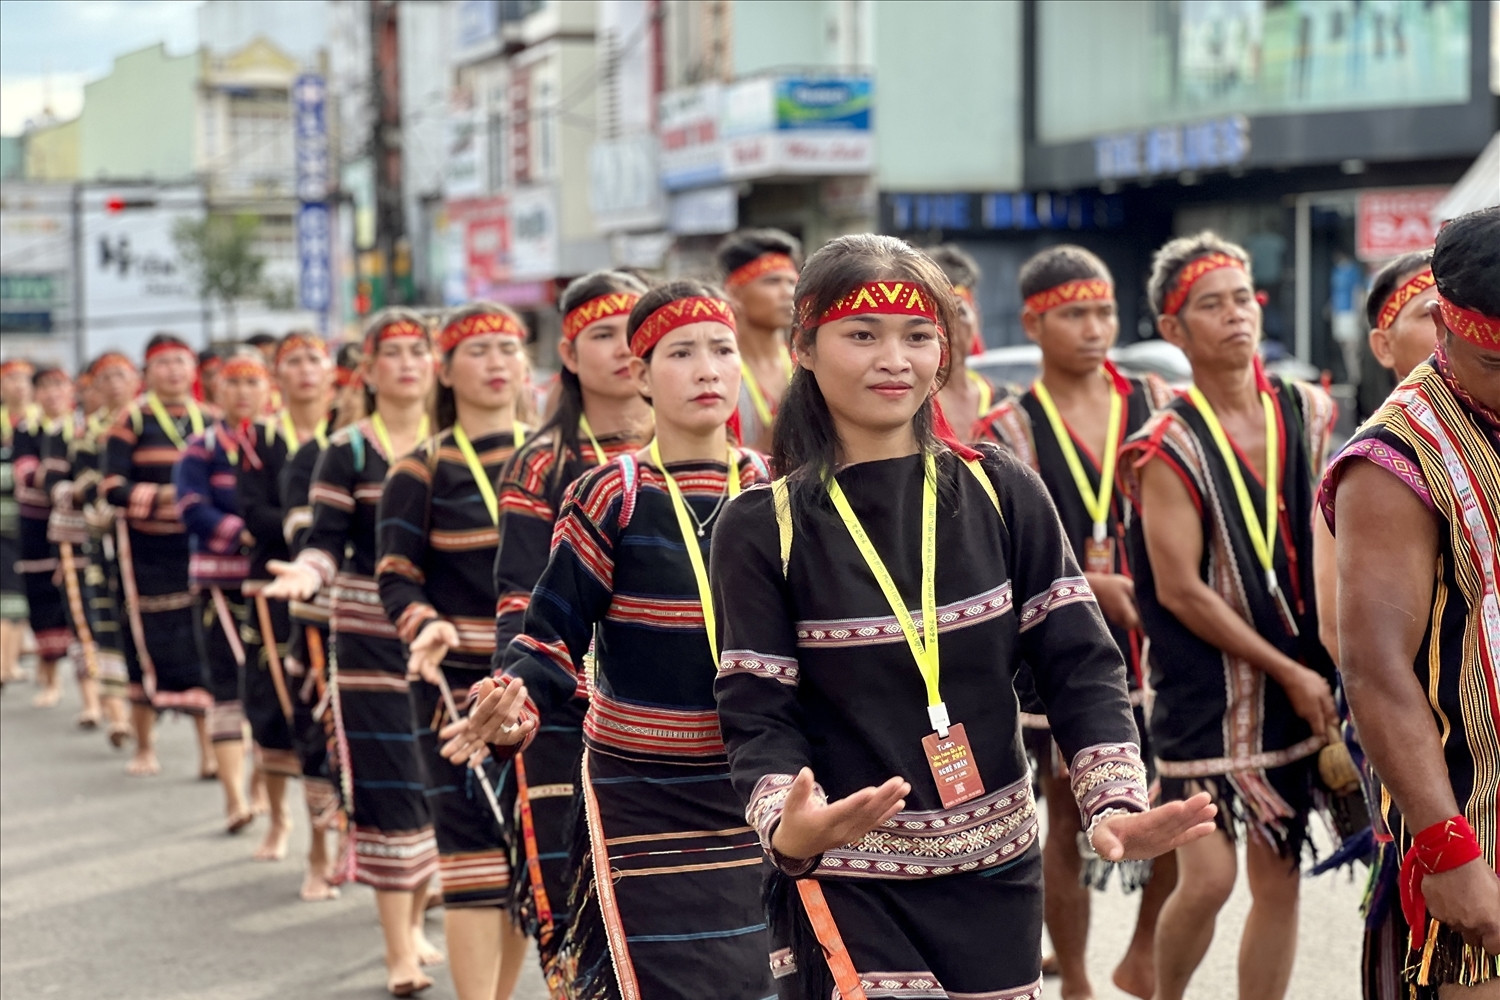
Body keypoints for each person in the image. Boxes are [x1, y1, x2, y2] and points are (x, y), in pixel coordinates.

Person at [694, 233, 1211, 999]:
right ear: (805, 346)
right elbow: (757, 708)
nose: (894, 359)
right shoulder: (758, 525)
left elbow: (1079, 664)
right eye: (862, 335)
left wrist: (1114, 802)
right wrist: (789, 824)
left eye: (918, 335)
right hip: (848, 872)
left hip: (999, 869)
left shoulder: (1000, 489)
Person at [454, 280, 777, 1000]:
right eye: (682, 352)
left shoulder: (774, 488)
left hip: (759, 781)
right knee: (665, 982)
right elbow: (549, 633)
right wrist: (514, 700)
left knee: (760, 980)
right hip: (643, 787)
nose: (708, 369)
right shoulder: (612, 493)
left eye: (723, 350)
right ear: (641, 374)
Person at [1118, 233, 1340, 1000]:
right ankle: (1161, 992)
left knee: (1280, 880)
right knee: (1208, 877)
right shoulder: (1164, 442)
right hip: (1207, 689)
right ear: (1174, 331)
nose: (1235, 316)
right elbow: (1180, 590)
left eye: (1243, 298)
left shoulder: (1307, 407)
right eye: (1210, 305)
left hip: (1300, 675)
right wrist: (1288, 669)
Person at [972, 244, 1179, 1000]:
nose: (1094, 329)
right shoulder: (1006, 427)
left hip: (1160, 639)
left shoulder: (1158, 400)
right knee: (1065, 814)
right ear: (1034, 323)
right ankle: (1079, 980)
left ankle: (1145, 949)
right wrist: (1085, 579)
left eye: (1104, 312)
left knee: (1180, 809)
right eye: (1073, 314)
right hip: (1056, 644)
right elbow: (989, 551)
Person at [1321, 206, 1500, 1000]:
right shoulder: (1394, 460)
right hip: (1478, 815)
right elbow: (1375, 670)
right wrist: (1448, 849)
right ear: (1444, 324)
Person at [262, 309, 442, 997]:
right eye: (390, 353)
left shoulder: (455, 445)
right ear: (365, 370)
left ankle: (420, 918)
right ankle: (397, 948)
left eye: (416, 350)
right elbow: (324, 538)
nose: (406, 363)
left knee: (438, 782)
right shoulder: (348, 448)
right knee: (388, 783)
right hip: (368, 631)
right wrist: (309, 572)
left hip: (447, 636)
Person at [484, 270, 652, 979]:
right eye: (600, 335)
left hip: (686, 718)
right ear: (569, 356)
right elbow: (519, 600)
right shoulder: (544, 462)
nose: (619, 349)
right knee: (582, 921)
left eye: (631, 333)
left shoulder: (717, 450)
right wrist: (516, 699)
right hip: (569, 719)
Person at [376, 302, 533, 1000]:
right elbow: (395, 573)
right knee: (472, 855)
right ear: (446, 369)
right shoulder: (421, 466)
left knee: (526, 853)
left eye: (509, 347)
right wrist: (423, 623)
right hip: (454, 684)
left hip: (539, 684)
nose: (497, 362)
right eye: (479, 351)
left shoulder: (554, 458)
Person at [177, 351, 302, 859]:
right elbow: (191, 506)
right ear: (217, 391)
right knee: (228, 686)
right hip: (221, 582)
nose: (244, 392)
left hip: (278, 581)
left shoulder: (278, 441)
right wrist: (245, 534)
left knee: (272, 691)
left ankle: (265, 789)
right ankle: (236, 798)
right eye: (234, 383)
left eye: (254, 382)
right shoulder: (201, 446)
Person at [238, 331, 341, 901]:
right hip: (278, 590)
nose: (305, 370)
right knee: (285, 711)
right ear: (277, 376)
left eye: (314, 360)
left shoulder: (351, 434)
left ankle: (349, 838)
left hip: (345, 593)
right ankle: (299, 834)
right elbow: (254, 513)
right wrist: (316, 524)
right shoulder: (261, 440)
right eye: (292, 361)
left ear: (332, 373)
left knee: (340, 715)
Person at [103, 334, 216, 777]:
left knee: (201, 645)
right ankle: (145, 746)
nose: (173, 371)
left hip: (197, 546)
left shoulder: (210, 419)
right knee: (145, 644)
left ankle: (209, 753)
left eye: (180, 362)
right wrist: (171, 498)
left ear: (193, 371)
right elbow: (111, 488)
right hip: (145, 554)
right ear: (147, 374)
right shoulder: (129, 420)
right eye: (163, 363)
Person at [66, 352, 142, 745]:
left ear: (135, 380)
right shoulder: (88, 433)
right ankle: (117, 716)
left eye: (121, 376)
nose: (115, 384)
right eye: (106, 378)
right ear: (94, 387)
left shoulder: (148, 423)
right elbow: (87, 484)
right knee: (107, 623)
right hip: (104, 536)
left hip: (147, 538)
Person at [13, 367, 80, 709]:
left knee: (78, 595)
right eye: (45, 387)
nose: (53, 393)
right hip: (37, 524)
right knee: (42, 596)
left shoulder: (84, 426)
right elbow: (26, 474)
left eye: (59, 385)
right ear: (36, 394)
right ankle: (51, 678)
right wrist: (62, 480)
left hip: (77, 526)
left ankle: (93, 696)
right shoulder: (27, 429)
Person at [719, 228, 801, 452]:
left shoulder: (807, 362)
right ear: (734, 293)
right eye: (773, 282)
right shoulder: (716, 372)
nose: (788, 293)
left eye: (792, 282)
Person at [927, 244, 999, 435]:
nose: (948, 329)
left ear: (977, 316)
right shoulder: (908, 406)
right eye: (937, 315)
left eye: (959, 313)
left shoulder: (1005, 402)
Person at [0, 358, 36, 688]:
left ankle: (8, 663)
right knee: (9, 595)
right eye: (11, 379)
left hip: (30, 523)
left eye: (25, 380)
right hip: (3, 524)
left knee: (20, 596)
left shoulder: (44, 424)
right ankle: (5, 665)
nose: (19, 386)